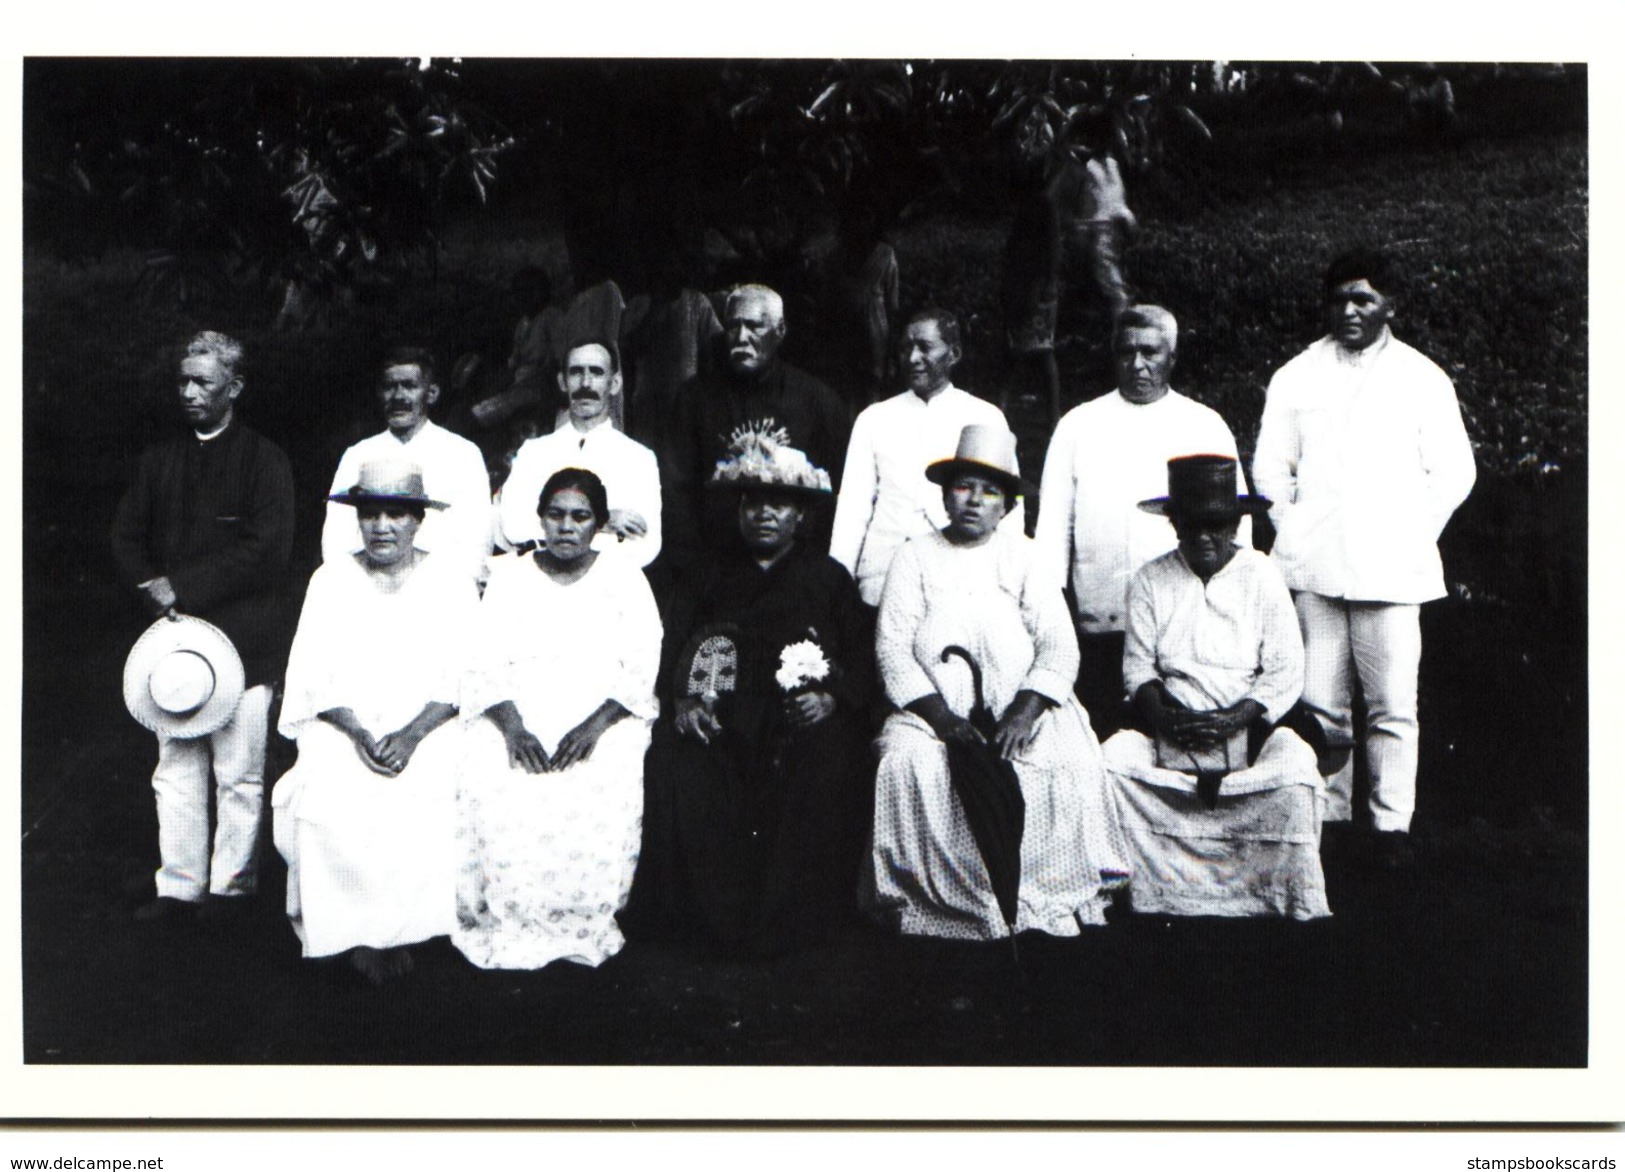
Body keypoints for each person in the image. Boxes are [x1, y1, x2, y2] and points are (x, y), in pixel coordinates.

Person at [1252, 248, 1475, 864]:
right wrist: (1290, 524)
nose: (1349, 311)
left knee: (1393, 707)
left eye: (1364, 299)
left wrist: (1409, 532)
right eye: (1340, 299)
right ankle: (1329, 822)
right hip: (1314, 566)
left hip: (1393, 571)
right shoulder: (1296, 375)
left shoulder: (1422, 378)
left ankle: (1390, 827)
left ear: (1390, 305)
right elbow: (1271, 465)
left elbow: (1455, 472)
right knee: (1322, 703)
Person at [867, 425, 1125, 939]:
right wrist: (943, 720)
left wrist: (1026, 712)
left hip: (1021, 708)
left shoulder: (1026, 557)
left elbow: (1058, 643)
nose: (974, 501)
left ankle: (1037, 892)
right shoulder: (913, 557)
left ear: (1005, 505)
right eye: (963, 486)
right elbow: (892, 648)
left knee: (1068, 761)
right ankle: (942, 898)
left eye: (989, 492)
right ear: (945, 494)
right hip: (932, 711)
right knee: (906, 763)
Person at [622, 432, 872, 957]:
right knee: (675, 759)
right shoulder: (707, 574)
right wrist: (685, 701)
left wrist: (831, 699)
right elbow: (672, 650)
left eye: (778, 503)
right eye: (753, 502)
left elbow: (861, 659)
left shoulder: (828, 580)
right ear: (738, 510)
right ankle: (702, 923)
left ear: (801, 516)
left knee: (829, 759)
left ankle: (795, 924)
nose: (764, 514)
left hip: (795, 722)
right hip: (722, 721)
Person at [110, 330, 295, 922]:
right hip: (174, 646)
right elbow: (126, 537)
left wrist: (183, 587)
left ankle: (231, 890)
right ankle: (180, 887)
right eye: (183, 381)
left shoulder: (265, 461)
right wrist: (154, 594)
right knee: (176, 767)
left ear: (234, 387)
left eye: (203, 382)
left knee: (239, 773)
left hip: (245, 640)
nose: (189, 392)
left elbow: (268, 550)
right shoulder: (159, 461)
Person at [273, 461, 478, 984]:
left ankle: (411, 927)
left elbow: (467, 672)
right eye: (370, 514)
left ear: (418, 521)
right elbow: (313, 673)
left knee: (431, 780)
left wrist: (410, 736)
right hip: (348, 722)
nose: (382, 526)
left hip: (429, 721)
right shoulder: (331, 579)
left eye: (396, 514)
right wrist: (361, 734)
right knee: (329, 778)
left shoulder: (450, 580)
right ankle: (355, 931)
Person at [1102, 456, 1331, 920]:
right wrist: (1165, 717)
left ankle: (1272, 892)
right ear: (1174, 524)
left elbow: (1284, 668)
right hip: (1170, 722)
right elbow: (1138, 667)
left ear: (1236, 524)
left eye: (1218, 525)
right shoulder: (1151, 579)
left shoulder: (1263, 575)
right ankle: (1147, 890)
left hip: (1250, 721)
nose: (1205, 537)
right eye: (1192, 526)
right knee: (1113, 767)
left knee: (1295, 776)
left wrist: (1236, 718)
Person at [455, 468, 662, 970]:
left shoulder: (624, 577)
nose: (566, 526)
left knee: (606, 764)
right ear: (540, 519)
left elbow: (640, 659)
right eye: (555, 515)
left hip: (601, 710)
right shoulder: (510, 576)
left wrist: (594, 726)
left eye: (580, 516)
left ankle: (581, 920)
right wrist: (512, 726)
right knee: (490, 761)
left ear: (600, 524)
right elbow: (483, 659)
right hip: (517, 704)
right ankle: (514, 916)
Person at [1033, 305, 1248, 737]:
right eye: (1126, 352)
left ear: (1171, 356)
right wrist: (1052, 613)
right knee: (1102, 738)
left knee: (1177, 742)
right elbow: (1052, 533)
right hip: (1100, 623)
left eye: (1150, 352)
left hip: (1185, 627)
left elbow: (1237, 529)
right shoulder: (1078, 425)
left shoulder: (1204, 425)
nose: (1137, 364)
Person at [830, 308, 1024, 608]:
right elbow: (852, 509)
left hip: (959, 578)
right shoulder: (874, 418)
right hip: (881, 576)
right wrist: (838, 585)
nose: (912, 358)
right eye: (906, 347)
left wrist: (1009, 581)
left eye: (925, 347)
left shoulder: (985, 415)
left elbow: (1009, 508)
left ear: (953, 353)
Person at [661, 283, 852, 576]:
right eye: (733, 326)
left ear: (780, 331)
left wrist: (809, 563)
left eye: (754, 327)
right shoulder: (695, 399)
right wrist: (692, 567)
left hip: (794, 572)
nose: (741, 337)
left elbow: (836, 491)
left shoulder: (817, 402)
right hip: (713, 571)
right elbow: (676, 491)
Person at [321, 348, 493, 587]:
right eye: (390, 387)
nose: (398, 396)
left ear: (431, 393)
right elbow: (337, 538)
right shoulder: (357, 455)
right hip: (370, 591)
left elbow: (477, 539)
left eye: (409, 386)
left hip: (442, 592)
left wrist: (458, 593)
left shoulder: (462, 454)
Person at [495, 340, 663, 566]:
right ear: (563, 382)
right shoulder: (534, 453)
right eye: (576, 372)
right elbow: (514, 526)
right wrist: (604, 522)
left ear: (614, 383)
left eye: (596, 372)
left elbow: (645, 545)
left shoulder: (638, 458)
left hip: (608, 588)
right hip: (540, 582)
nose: (586, 383)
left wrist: (548, 528)